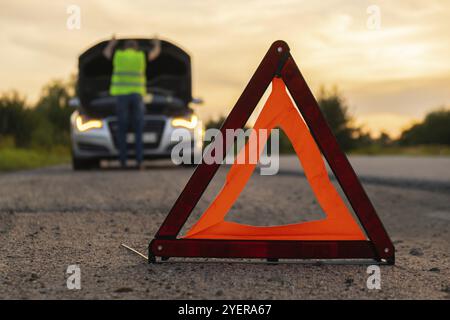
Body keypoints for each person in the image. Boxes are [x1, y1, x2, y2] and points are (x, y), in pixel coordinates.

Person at [103, 35, 161, 169]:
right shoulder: (140, 56)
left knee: (122, 128)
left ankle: (122, 162)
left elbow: (106, 53)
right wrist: (157, 43)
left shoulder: (118, 56)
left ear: (125, 48)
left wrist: (112, 43)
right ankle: (139, 161)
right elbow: (155, 54)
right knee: (138, 128)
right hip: (136, 95)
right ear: (135, 48)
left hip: (121, 95)